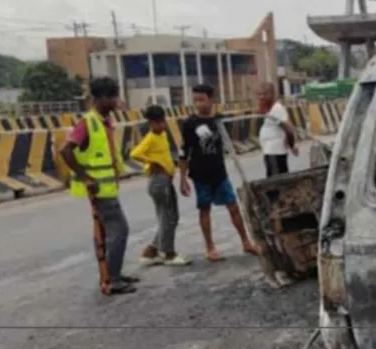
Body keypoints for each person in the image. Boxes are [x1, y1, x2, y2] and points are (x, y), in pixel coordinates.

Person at [60, 77, 138, 295]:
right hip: (100, 190)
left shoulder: (104, 121)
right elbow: (65, 150)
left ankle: (111, 274)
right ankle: (112, 279)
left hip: (107, 187)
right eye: (113, 97)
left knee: (108, 232)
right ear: (101, 98)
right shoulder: (89, 122)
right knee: (119, 230)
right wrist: (85, 177)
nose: (116, 101)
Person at [177, 84, 260, 261]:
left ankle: (246, 242)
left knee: (233, 207)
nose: (199, 104)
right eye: (196, 100)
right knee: (204, 209)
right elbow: (184, 151)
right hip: (200, 174)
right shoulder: (190, 124)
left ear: (212, 100)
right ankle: (210, 247)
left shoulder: (219, 121)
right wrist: (182, 178)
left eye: (202, 100)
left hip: (219, 172)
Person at [130, 105, 191, 267]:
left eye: (163, 121)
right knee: (168, 217)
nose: (162, 125)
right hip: (158, 180)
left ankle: (151, 250)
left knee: (169, 216)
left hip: (165, 179)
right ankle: (169, 253)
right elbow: (135, 153)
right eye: (158, 123)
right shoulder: (150, 138)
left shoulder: (162, 135)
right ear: (150, 123)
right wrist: (153, 163)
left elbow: (164, 154)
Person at [257, 82, 298, 177]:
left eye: (265, 94)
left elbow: (288, 130)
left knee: (276, 183)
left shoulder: (277, 109)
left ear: (272, 94)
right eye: (260, 94)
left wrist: (292, 146)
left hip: (275, 153)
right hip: (270, 153)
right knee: (274, 181)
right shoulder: (269, 110)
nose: (262, 97)